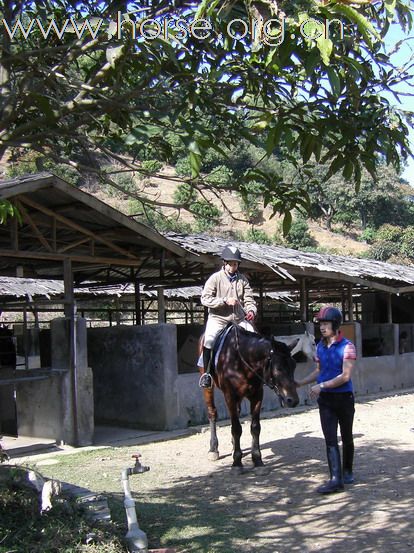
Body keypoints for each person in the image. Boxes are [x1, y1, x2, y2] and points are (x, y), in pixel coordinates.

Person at [296, 306, 357, 494]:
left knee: (346, 436)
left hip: (344, 398)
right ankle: (335, 479)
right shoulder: (320, 346)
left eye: (326, 324)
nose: (322, 327)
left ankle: (347, 470)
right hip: (327, 401)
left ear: (335, 325)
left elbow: (345, 376)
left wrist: (320, 386)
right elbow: (319, 371)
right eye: (321, 324)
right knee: (330, 438)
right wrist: (300, 382)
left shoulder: (348, 346)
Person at [198, 245, 257, 388]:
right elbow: (205, 299)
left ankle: (256, 371)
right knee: (209, 341)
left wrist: (251, 311)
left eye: (235, 264)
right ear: (224, 263)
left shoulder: (243, 280)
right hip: (219, 319)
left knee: (254, 338)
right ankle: (207, 374)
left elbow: (249, 299)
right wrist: (223, 301)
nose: (233, 266)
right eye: (230, 263)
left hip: (238, 319)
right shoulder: (215, 278)